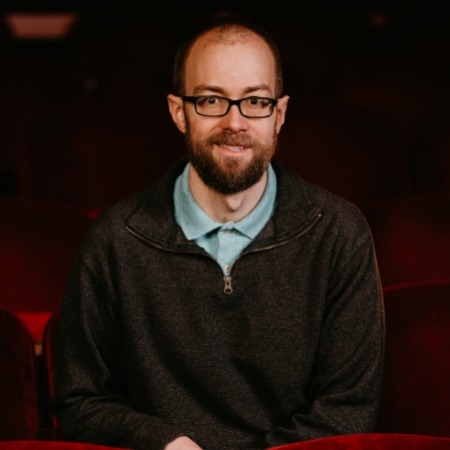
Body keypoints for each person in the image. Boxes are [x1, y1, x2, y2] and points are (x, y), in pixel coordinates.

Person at [52, 15, 385, 450]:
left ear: (279, 114)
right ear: (178, 111)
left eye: (255, 101)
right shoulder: (114, 239)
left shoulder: (340, 234)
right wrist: (163, 441)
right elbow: (80, 401)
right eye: (211, 100)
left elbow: (349, 408)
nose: (235, 121)